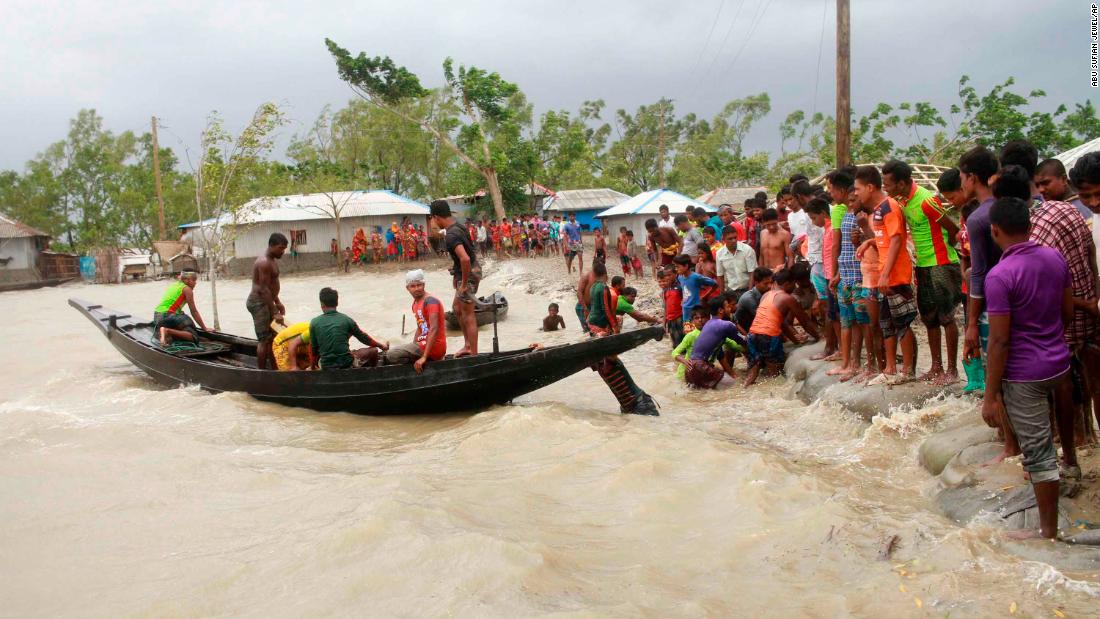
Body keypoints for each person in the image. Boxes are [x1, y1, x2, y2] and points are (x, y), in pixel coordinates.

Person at [982, 196, 1073, 540]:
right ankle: (1072, 467)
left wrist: (990, 396)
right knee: (1049, 443)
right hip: (1059, 362)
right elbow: (1066, 311)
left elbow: (1000, 341)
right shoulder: (1054, 257)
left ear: (995, 231)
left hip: (1025, 374)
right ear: (1030, 226)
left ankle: (1047, 530)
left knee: (1039, 454)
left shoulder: (999, 276)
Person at [882, 159, 963, 385]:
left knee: (946, 317)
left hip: (942, 263)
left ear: (902, 183)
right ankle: (936, 367)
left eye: (888, 184)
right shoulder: (902, 200)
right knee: (929, 318)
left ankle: (952, 370)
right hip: (924, 265)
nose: (885, 188)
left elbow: (953, 230)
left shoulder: (927, 200)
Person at [854, 165, 916, 385]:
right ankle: (890, 369)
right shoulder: (879, 209)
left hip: (896, 275)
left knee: (903, 323)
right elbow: (886, 238)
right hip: (885, 275)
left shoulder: (890, 206)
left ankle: (907, 370)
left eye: (858, 189)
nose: (856, 193)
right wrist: (870, 241)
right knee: (887, 323)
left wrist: (886, 273)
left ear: (870, 187)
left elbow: (897, 239)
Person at [744, 268, 821, 386]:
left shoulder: (766, 295)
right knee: (774, 375)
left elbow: (781, 322)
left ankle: (745, 389)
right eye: (793, 284)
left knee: (752, 373)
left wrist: (795, 340)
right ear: (787, 284)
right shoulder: (787, 298)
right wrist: (820, 338)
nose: (795, 287)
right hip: (768, 337)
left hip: (752, 335)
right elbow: (805, 322)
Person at [826, 168, 868, 381]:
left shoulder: (863, 216)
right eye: (850, 201)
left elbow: (867, 243)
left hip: (859, 275)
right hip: (846, 275)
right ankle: (846, 363)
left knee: (860, 322)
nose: (850, 204)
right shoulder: (844, 215)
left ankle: (857, 364)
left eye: (854, 200)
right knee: (846, 322)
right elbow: (842, 248)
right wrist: (837, 274)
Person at [430, 199, 481, 357]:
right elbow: (467, 253)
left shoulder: (450, 235)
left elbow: (465, 259)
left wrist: (464, 283)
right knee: (457, 309)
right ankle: (467, 345)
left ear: (437, 217)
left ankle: (473, 354)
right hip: (468, 270)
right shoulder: (459, 226)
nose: (433, 222)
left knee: (468, 314)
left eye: (432, 218)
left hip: (469, 274)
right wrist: (456, 268)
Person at [309, 287, 387, 370]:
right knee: (374, 350)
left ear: (322, 304)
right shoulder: (347, 320)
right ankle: (372, 373)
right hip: (346, 363)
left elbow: (313, 350)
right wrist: (381, 346)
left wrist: (312, 367)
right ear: (337, 303)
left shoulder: (314, 322)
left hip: (326, 366)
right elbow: (364, 338)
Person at [384, 269, 446, 373]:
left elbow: (434, 329)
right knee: (393, 353)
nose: (417, 288)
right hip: (422, 344)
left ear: (424, 285)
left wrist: (424, 357)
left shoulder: (431, 301)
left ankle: (427, 360)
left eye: (419, 285)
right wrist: (413, 344)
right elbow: (420, 327)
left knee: (391, 354)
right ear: (407, 288)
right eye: (413, 286)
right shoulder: (416, 304)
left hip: (435, 346)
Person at [680, 298, 747, 388]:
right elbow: (743, 341)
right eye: (727, 306)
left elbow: (720, 355)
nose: (730, 309)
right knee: (735, 387)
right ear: (720, 310)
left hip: (689, 370)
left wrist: (732, 374)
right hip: (701, 367)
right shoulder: (726, 324)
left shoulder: (708, 324)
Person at [246, 233, 288, 369]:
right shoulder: (264, 262)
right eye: (281, 248)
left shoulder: (272, 260)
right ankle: (262, 372)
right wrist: (275, 311)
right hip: (258, 303)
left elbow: (270, 286)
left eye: (284, 249)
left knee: (273, 338)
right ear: (271, 246)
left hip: (267, 301)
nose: (283, 251)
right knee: (264, 339)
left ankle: (274, 368)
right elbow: (262, 289)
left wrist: (278, 302)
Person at [153, 270, 208, 346]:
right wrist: (205, 328)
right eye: (194, 280)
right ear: (187, 280)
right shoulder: (187, 289)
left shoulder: (175, 284)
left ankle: (166, 331)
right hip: (167, 315)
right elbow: (194, 311)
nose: (195, 283)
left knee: (181, 315)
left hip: (157, 316)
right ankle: (167, 331)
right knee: (193, 335)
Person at [673, 254, 717, 320]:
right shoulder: (680, 277)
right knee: (688, 328)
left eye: (678, 267)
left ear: (686, 266)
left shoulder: (696, 277)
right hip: (685, 308)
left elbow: (715, 284)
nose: (676, 269)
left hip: (696, 309)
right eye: (675, 267)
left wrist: (705, 296)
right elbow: (685, 289)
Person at [583, 261, 617, 336]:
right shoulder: (604, 288)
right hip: (599, 322)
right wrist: (614, 326)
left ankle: (596, 334)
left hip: (590, 321)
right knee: (620, 319)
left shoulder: (592, 287)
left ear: (594, 275)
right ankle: (601, 334)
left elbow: (593, 306)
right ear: (606, 275)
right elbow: (606, 309)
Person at [734, 267, 773, 331]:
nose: (769, 286)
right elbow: (764, 319)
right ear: (756, 283)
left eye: (771, 283)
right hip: (745, 332)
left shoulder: (766, 293)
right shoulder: (749, 299)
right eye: (766, 283)